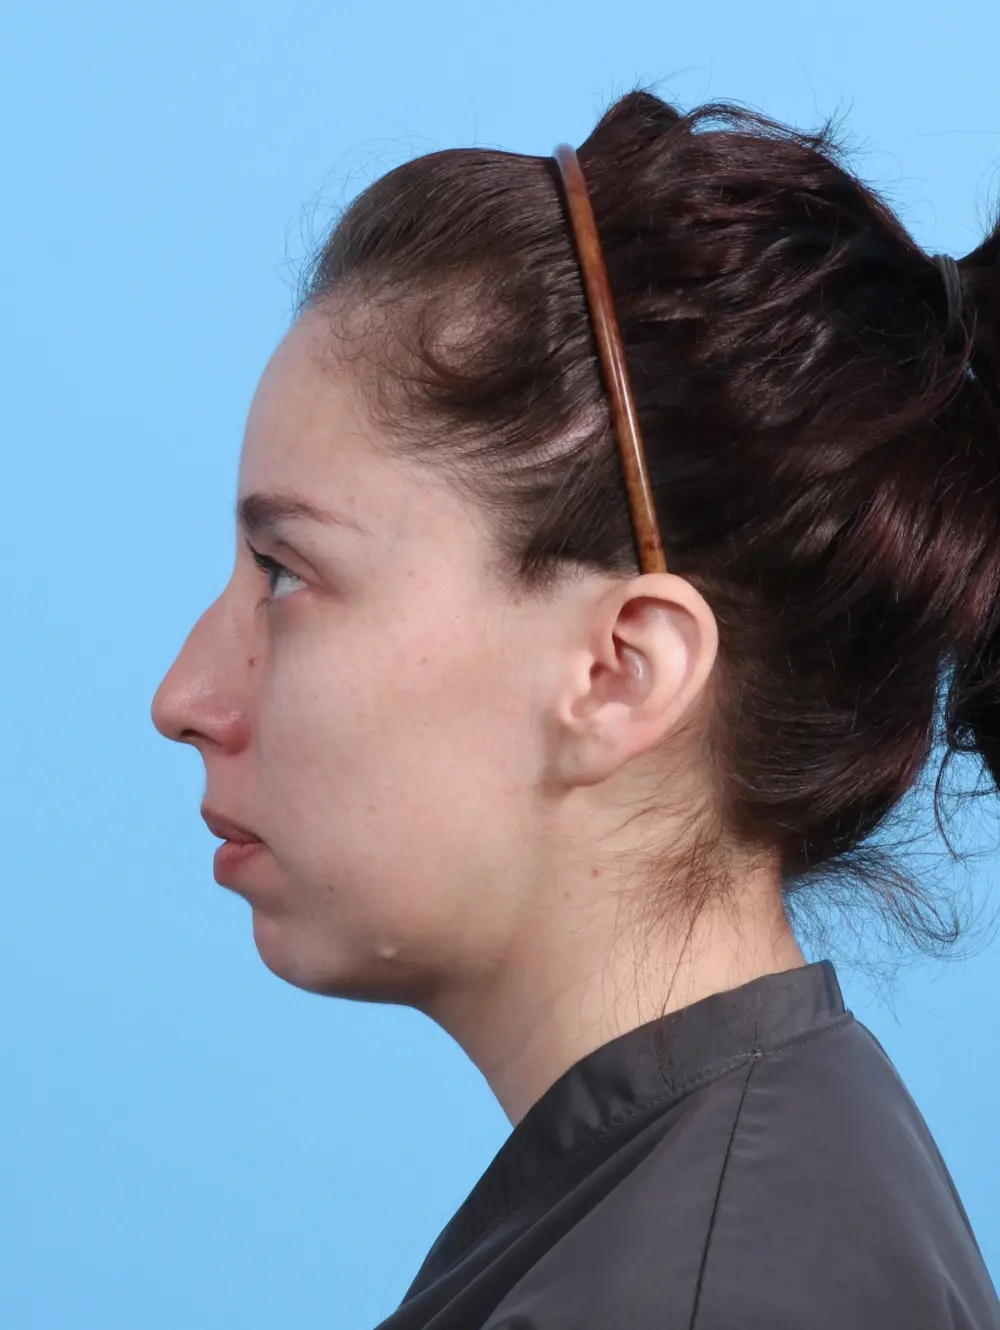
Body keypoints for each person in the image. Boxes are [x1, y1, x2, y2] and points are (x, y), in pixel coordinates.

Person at [150, 88, 1000, 1328]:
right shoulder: (726, 1207)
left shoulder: (710, 1291)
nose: (182, 698)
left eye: (285, 574)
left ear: (621, 671)